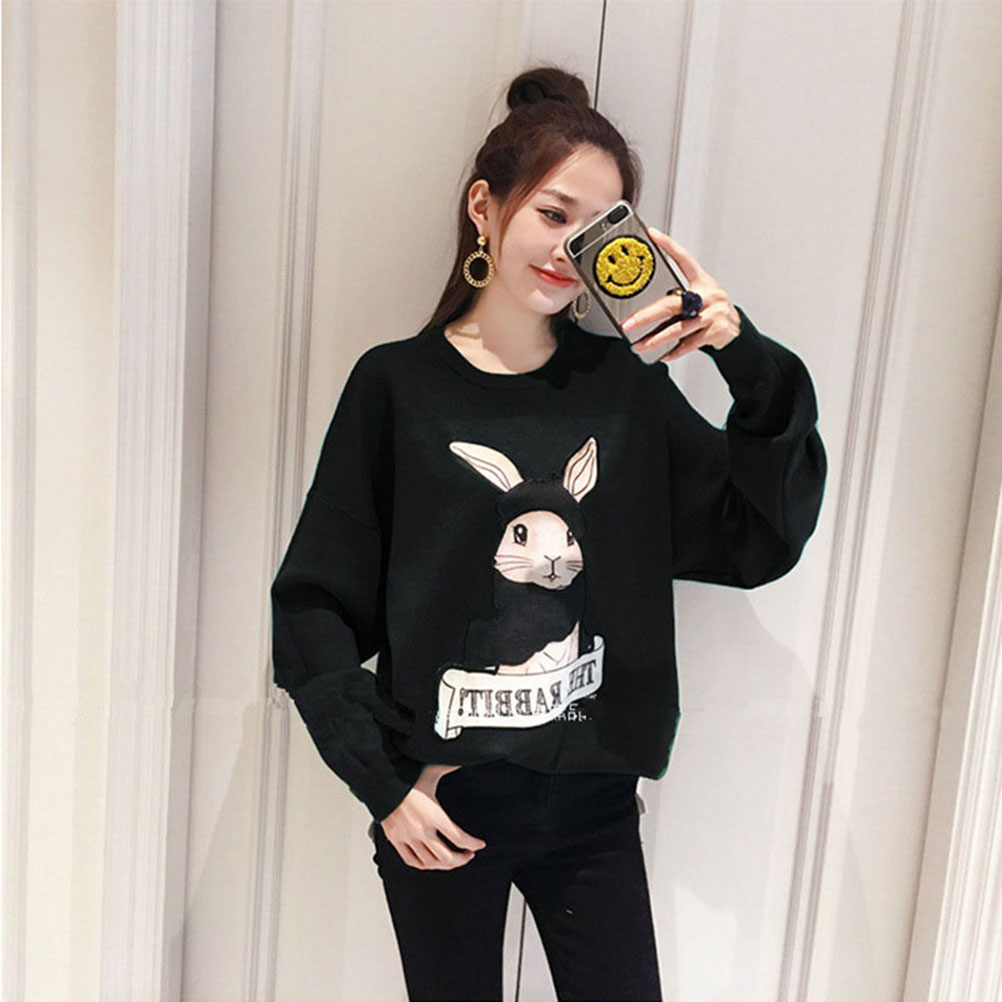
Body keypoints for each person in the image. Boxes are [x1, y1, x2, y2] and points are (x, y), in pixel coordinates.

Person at [270, 65, 827, 1002]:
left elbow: (758, 536)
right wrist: (385, 785)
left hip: (592, 811)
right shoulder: (397, 387)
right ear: (484, 208)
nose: (570, 248)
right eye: (553, 213)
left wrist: (740, 352)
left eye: (599, 227)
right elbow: (314, 602)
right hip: (443, 810)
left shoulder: (625, 391)